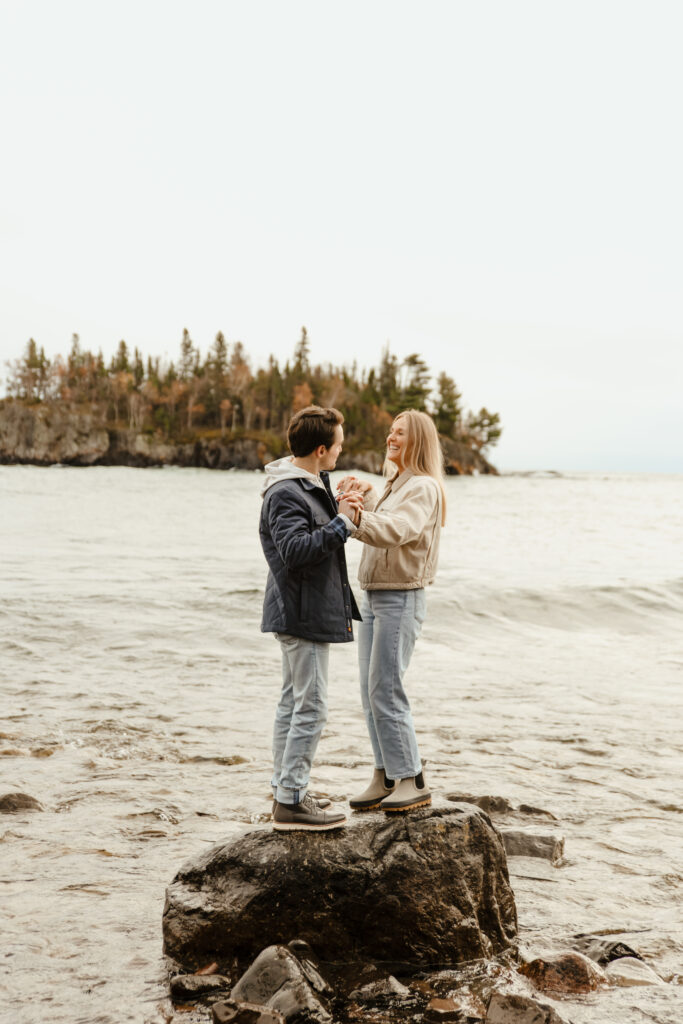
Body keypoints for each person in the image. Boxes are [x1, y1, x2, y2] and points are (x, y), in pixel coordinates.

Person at [260, 405, 363, 831]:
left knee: (293, 703)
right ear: (321, 449)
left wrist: (341, 504)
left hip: (301, 610)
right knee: (313, 706)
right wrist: (343, 524)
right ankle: (290, 801)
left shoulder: (306, 482)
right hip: (299, 613)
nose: (341, 452)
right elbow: (296, 551)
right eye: (338, 445)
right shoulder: (285, 491)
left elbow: (312, 531)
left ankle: (289, 791)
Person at [337, 409, 446, 813]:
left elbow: (399, 528)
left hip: (402, 597)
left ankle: (411, 779)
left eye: (400, 432)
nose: (391, 437)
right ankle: (385, 774)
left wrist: (356, 518)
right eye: (390, 431)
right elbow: (385, 516)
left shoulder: (423, 487)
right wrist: (361, 496)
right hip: (375, 595)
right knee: (371, 689)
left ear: (418, 440)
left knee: (387, 687)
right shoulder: (396, 482)